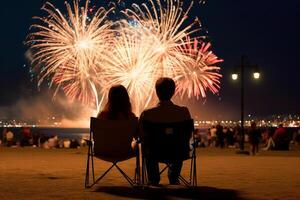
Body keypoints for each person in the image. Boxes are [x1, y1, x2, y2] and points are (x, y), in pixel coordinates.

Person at [139, 77, 192, 185]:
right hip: (178, 152)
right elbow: (187, 135)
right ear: (173, 92)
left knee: (147, 146)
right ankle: (174, 176)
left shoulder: (147, 114)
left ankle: (153, 178)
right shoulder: (184, 112)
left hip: (154, 152)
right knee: (179, 144)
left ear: (157, 92)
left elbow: (141, 135)